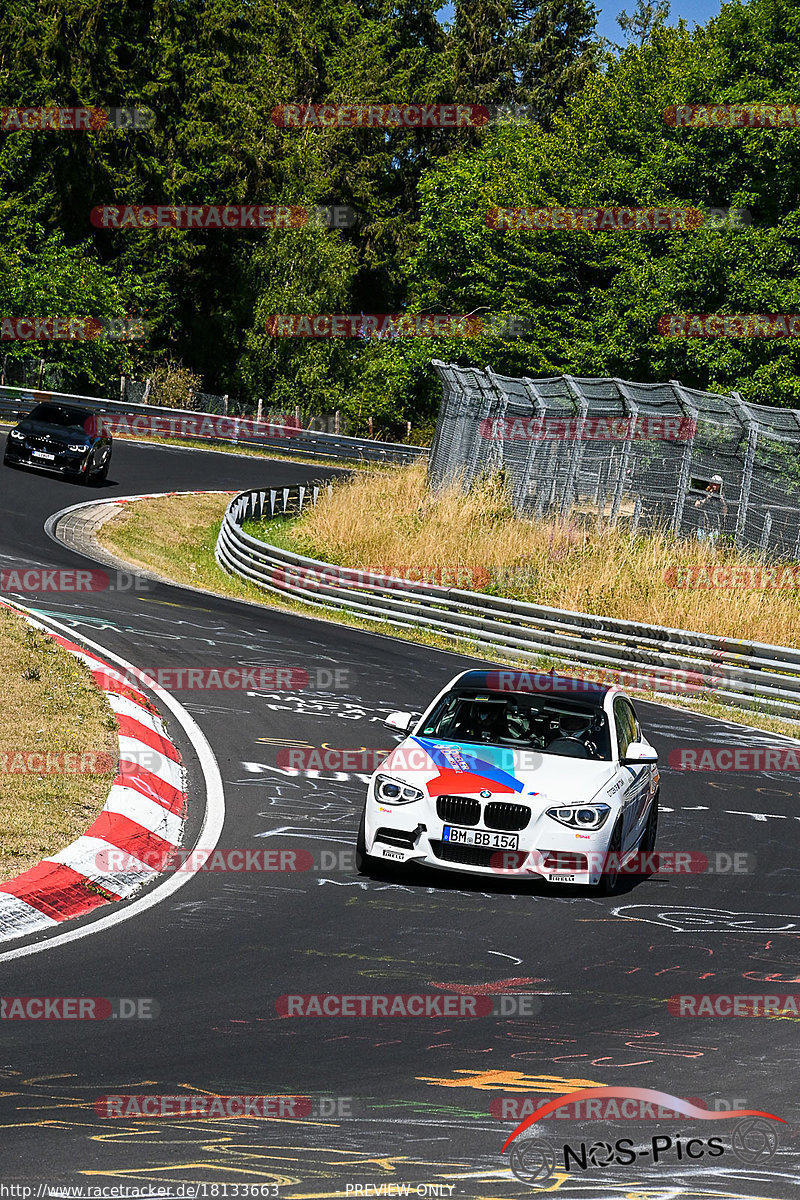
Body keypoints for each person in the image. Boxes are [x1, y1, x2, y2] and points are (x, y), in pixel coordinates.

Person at [694, 475, 728, 546]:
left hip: (714, 526)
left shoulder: (721, 496)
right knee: (701, 546)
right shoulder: (704, 492)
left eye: (717, 485)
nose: (715, 487)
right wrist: (706, 499)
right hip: (702, 525)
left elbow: (724, 512)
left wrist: (722, 501)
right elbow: (696, 505)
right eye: (714, 484)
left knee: (711, 546)